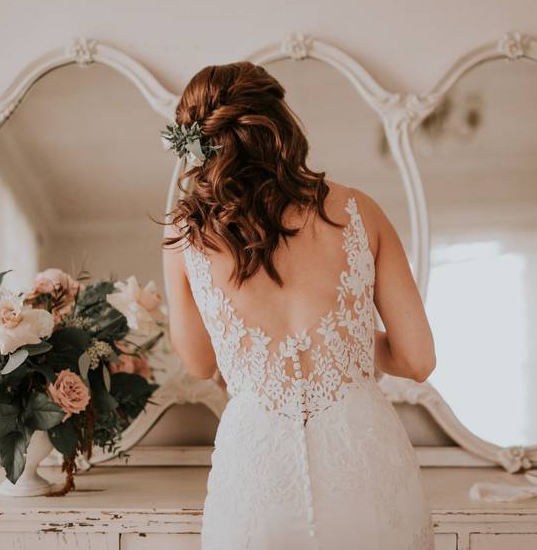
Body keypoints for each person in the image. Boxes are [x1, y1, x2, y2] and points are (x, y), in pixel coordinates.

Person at [161, 61, 436, 549]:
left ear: (196, 141)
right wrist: (343, 344)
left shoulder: (186, 234)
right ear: (280, 124)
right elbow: (417, 360)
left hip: (257, 475)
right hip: (365, 465)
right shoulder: (357, 210)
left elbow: (202, 364)